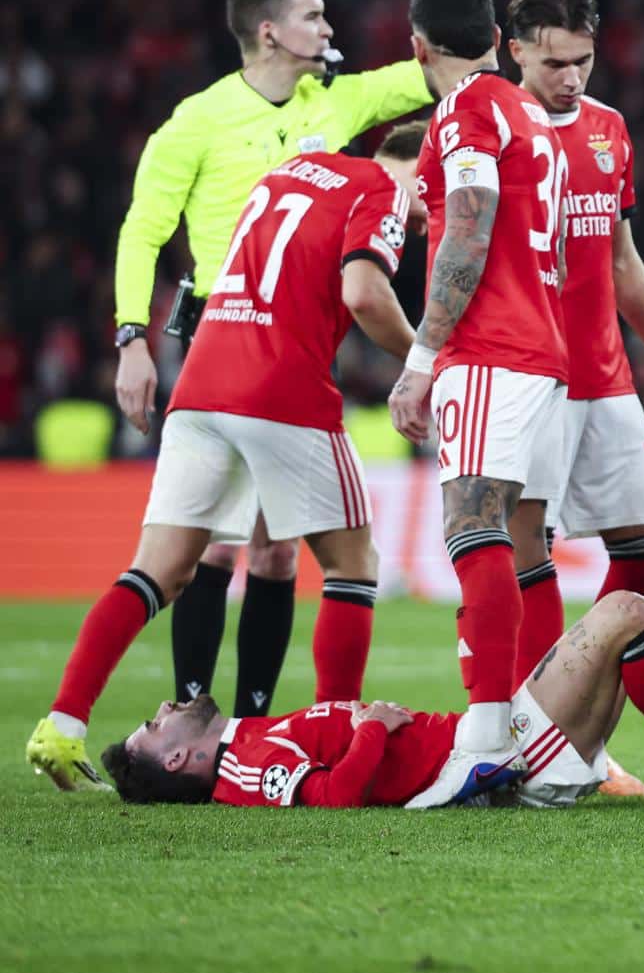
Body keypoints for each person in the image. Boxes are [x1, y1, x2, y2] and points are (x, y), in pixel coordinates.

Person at [111, 0, 485, 719]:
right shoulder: (198, 120)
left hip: (302, 335)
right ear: (270, 32)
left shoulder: (336, 100)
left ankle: (249, 723)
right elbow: (143, 229)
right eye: (314, 15)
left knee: (277, 555)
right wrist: (131, 336)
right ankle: (191, 711)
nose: (329, 26)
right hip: (221, 328)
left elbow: (438, 72)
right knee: (215, 547)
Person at [27, 126, 426, 790]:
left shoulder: (289, 171)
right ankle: (333, 738)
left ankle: (63, 724)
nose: (425, 219)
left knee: (157, 571)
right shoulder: (381, 186)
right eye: (430, 201)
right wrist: (424, 358)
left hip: (202, 382)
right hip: (281, 385)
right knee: (352, 565)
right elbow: (363, 292)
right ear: (418, 165)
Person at [500, 0, 644, 806]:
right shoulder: (493, 132)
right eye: (553, 62)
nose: (570, 78)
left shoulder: (607, 128)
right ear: (514, 50)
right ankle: (536, 744)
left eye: (583, 61)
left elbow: (620, 258)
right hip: (525, 375)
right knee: (528, 553)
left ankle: (568, 714)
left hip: (604, 375)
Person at [385, 0, 571, 809]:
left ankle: (489, 738)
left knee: (472, 523)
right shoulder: (527, 109)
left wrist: (422, 355)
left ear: (418, 48)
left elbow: (467, 225)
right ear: (498, 37)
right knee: (523, 543)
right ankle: (542, 740)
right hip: (543, 349)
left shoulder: (465, 109)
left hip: (492, 347)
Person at [96, 590, 644, 810]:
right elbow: (335, 798)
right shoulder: (245, 767)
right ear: (175, 760)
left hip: (498, 743)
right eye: (152, 725)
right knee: (627, 611)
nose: (164, 709)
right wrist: (372, 725)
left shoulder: (245, 742)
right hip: (508, 754)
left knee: (633, 622)